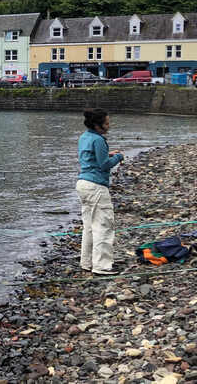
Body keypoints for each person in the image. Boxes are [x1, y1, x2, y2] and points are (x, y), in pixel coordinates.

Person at [76, 108, 124, 275]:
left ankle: (86, 262)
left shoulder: (84, 137)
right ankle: (102, 266)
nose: (109, 126)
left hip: (82, 184)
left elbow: (89, 157)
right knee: (103, 225)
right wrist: (118, 157)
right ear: (98, 126)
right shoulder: (98, 140)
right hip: (96, 187)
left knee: (88, 227)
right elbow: (104, 165)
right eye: (106, 124)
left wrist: (109, 153)